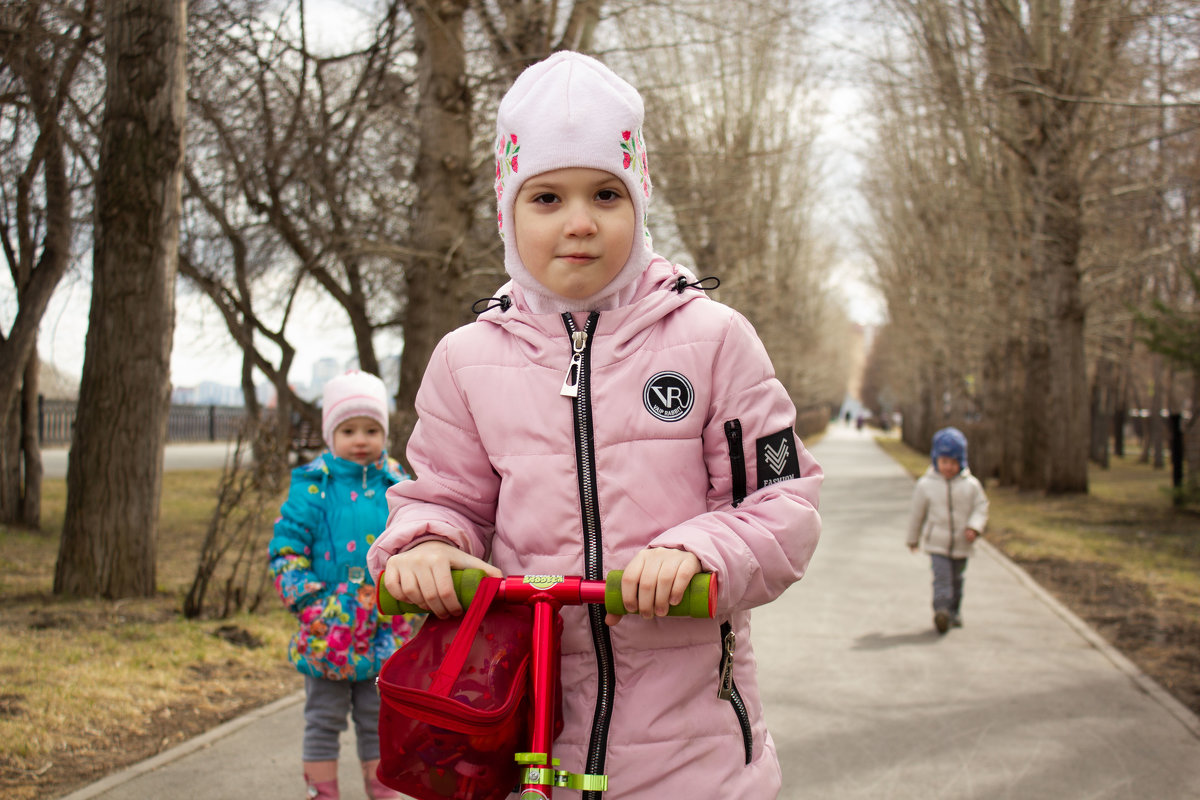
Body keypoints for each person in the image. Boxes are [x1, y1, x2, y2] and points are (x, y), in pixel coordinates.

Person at [367, 51, 822, 799]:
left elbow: (783, 503)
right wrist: (421, 546)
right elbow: (441, 497)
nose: (579, 222)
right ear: (508, 209)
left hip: (693, 762)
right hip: (519, 743)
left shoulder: (713, 341)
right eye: (546, 198)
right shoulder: (464, 360)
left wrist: (697, 550)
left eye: (606, 194)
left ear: (639, 200)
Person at [269, 370, 422, 800]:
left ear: (385, 433)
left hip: (384, 630)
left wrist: (410, 590)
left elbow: (414, 544)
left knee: (379, 722)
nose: (361, 439)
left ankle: (384, 791)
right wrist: (311, 602)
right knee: (322, 719)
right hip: (328, 630)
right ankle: (323, 793)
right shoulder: (313, 488)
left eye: (371, 430)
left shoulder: (398, 487)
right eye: (349, 429)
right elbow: (286, 549)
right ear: (330, 434)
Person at [906, 426, 989, 634]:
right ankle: (941, 610)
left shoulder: (971, 485)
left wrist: (974, 527)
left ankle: (954, 611)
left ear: (961, 462)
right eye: (944, 462)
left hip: (962, 543)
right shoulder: (926, 485)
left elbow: (981, 508)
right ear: (935, 460)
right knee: (942, 578)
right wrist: (913, 538)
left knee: (957, 580)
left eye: (953, 462)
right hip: (937, 543)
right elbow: (917, 514)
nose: (948, 467)